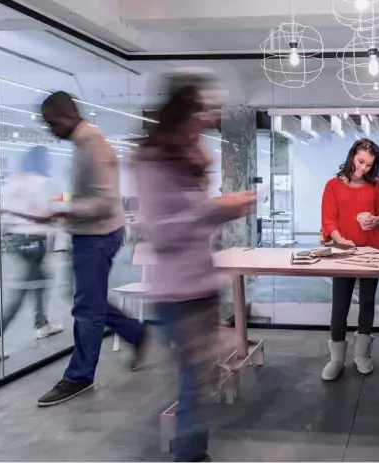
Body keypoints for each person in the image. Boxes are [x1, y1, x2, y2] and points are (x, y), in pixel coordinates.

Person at [134, 70, 256, 463]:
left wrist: (213, 211)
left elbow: (189, 224)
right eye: (205, 110)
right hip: (178, 294)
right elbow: (162, 233)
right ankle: (189, 455)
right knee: (194, 386)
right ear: (184, 111)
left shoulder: (188, 155)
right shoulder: (153, 161)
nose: (210, 119)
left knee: (200, 383)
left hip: (199, 288)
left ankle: (191, 451)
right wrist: (216, 210)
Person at [37, 92, 147, 407]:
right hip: (91, 234)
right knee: (91, 301)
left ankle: (79, 376)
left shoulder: (92, 146)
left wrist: (61, 209)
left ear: (68, 116)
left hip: (97, 235)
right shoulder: (83, 144)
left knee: (87, 309)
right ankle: (138, 334)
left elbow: (102, 202)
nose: (50, 129)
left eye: (52, 122)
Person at [0, 146, 64, 361]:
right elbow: (53, 212)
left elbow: (1, 217)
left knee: (42, 279)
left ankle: (42, 324)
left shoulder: (12, 183)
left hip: (15, 243)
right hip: (34, 243)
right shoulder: (42, 183)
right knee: (21, 292)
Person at [320, 138, 379, 381]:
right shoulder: (332, 185)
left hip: (371, 251)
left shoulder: (375, 186)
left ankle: (362, 355)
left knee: (367, 303)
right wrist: (340, 239)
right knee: (340, 305)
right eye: (361, 161)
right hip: (343, 253)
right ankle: (336, 358)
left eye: (369, 165)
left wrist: (376, 220)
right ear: (352, 156)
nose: (363, 168)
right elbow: (329, 220)